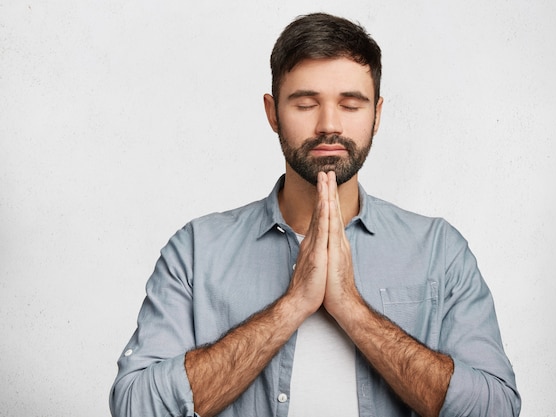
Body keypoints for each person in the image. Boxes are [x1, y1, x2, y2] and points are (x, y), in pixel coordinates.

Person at [110, 12, 520, 417]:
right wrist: (292, 305)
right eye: (306, 104)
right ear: (273, 113)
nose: (328, 125)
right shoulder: (197, 250)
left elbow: (497, 409)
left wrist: (351, 308)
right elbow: (134, 407)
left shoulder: (439, 250)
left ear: (377, 114)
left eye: (351, 104)